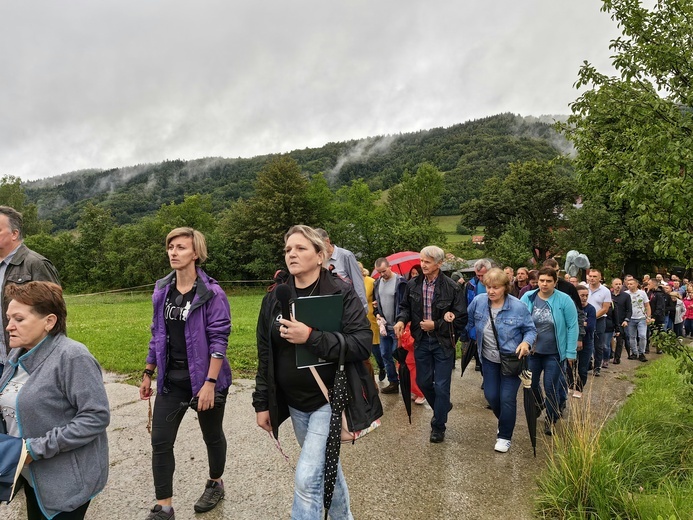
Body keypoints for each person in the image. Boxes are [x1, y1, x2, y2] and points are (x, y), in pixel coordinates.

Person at [253, 225, 377, 519]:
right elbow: (264, 353)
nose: (291, 254)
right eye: (287, 250)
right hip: (294, 403)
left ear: (321, 256)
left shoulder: (340, 292)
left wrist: (310, 337)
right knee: (325, 467)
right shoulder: (275, 297)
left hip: (330, 399)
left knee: (308, 478)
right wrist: (262, 402)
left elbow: (361, 344)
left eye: (300, 248)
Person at [139, 228, 232, 520]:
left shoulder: (211, 293)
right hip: (172, 381)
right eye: (170, 247)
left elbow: (219, 339)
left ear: (196, 253)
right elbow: (158, 334)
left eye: (180, 247)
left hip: (205, 381)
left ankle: (215, 483)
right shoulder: (162, 290)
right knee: (160, 442)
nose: (173, 252)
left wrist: (210, 383)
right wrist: (148, 370)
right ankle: (164, 506)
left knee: (212, 435)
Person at [0, 281, 109, 519]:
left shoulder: (72, 356)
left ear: (49, 321)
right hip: (31, 477)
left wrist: (34, 449)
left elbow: (96, 417)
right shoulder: (17, 355)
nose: (9, 326)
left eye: (19, 319)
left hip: (65, 483)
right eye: (8, 318)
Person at [394, 246, 467, 443]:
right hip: (421, 341)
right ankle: (442, 407)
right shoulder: (412, 285)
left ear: (439, 264)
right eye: (422, 261)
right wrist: (401, 320)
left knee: (442, 387)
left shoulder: (452, 287)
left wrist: (436, 324)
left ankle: (438, 426)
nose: (423, 265)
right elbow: (405, 308)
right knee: (424, 382)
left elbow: (461, 318)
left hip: (443, 342)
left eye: (427, 261)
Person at [466, 268, 536, 453]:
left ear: (505, 287)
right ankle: (505, 420)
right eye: (488, 287)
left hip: (512, 360)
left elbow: (531, 330)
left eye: (495, 287)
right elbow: (468, 321)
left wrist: (525, 343)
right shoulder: (478, 302)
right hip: (488, 359)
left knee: (507, 398)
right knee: (491, 396)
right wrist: (470, 334)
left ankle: (504, 436)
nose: (491, 291)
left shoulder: (518, 306)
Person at [0, 206, 60, 372]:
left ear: (14, 234)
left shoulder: (36, 264)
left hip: (26, 359)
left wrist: (52, 361)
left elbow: (54, 315)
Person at [521, 268, 578, 436]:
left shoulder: (564, 300)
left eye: (548, 281)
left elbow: (572, 326)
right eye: (541, 281)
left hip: (554, 353)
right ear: (537, 281)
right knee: (530, 384)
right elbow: (519, 321)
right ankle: (539, 403)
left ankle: (551, 419)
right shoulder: (528, 297)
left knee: (550, 386)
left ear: (555, 282)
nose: (544, 284)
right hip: (533, 352)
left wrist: (571, 352)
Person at [373, 257, 407, 394]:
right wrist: (377, 313)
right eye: (379, 272)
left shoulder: (400, 283)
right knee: (385, 354)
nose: (382, 275)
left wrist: (402, 321)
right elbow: (375, 302)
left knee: (399, 355)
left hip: (398, 326)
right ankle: (393, 382)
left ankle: (405, 382)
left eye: (384, 271)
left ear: (390, 266)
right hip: (384, 327)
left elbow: (405, 305)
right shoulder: (377, 283)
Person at [315, 228, 368, 309]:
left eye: (319, 245)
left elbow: (358, 284)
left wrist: (362, 310)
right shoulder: (318, 260)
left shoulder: (346, 256)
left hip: (350, 307)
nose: (318, 249)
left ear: (327, 241)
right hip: (331, 308)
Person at [359, 262, 386, 381]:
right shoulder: (350, 282)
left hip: (372, 317)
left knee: (376, 346)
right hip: (359, 319)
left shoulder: (371, 281)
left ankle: (381, 366)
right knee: (365, 348)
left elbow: (377, 297)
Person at [465, 259, 491, 371]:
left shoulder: (496, 284)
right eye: (478, 275)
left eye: (483, 275)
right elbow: (466, 303)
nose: (481, 278)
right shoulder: (471, 285)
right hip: (476, 320)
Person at [570, 285, 596, 399]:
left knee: (582, 368)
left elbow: (590, 326)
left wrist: (577, 324)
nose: (584, 298)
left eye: (586, 295)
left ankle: (579, 389)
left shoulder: (591, 309)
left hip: (587, 342)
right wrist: (581, 323)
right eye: (582, 295)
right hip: (571, 341)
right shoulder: (572, 307)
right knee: (570, 366)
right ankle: (570, 385)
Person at [586, 269, 612, 376]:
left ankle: (597, 367)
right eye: (590, 276)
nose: (592, 278)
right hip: (585, 319)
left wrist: (592, 317)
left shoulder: (605, 291)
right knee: (586, 342)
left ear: (600, 278)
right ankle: (587, 364)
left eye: (595, 276)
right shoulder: (584, 288)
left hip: (599, 319)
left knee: (598, 345)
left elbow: (605, 308)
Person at [626, 278, 652, 361]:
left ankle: (641, 353)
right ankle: (634, 352)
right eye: (628, 284)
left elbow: (647, 305)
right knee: (632, 336)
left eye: (631, 284)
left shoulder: (642, 293)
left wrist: (648, 317)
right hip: (630, 318)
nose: (629, 285)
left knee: (642, 336)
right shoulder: (626, 294)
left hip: (641, 318)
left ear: (636, 284)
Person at [610, 278, 632, 365]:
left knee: (620, 340)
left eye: (620, 284)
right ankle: (609, 354)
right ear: (612, 285)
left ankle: (617, 357)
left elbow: (629, 310)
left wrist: (626, 320)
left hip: (621, 320)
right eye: (616, 284)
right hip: (610, 320)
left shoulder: (626, 296)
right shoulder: (609, 295)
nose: (618, 286)